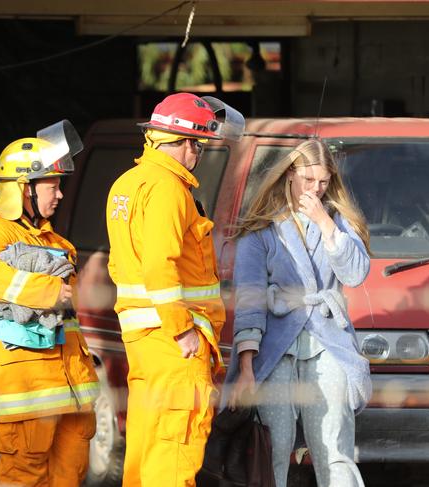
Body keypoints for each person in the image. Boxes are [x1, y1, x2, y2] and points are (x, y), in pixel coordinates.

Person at [105, 92, 245, 486]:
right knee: (176, 448)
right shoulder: (168, 188)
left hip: (145, 342)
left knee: (148, 447)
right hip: (173, 342)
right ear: (184, 142)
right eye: (198, 144)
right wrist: (182, 329)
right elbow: (158, 264)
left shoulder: (127, 183)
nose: (198, 153)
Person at [226, 139, 372, 487]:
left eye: (323, 182)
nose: (316, 189)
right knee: (272, 446)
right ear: (290, 173)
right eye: (308, 180)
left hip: (327, 342)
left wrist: (325, 224)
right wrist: (246, 368)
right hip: (276, 347)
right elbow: (249, 299)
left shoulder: (337, 221)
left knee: (333, 445)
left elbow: (354, 274)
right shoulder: (262, 228)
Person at [0, 121, 100, 486]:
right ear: (24, 189)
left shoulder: (60, 243)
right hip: (24, 384)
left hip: (70, 384)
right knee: (25, 473)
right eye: (52, 186)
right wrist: (49, 290)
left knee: (71, 472)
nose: (59, 195)